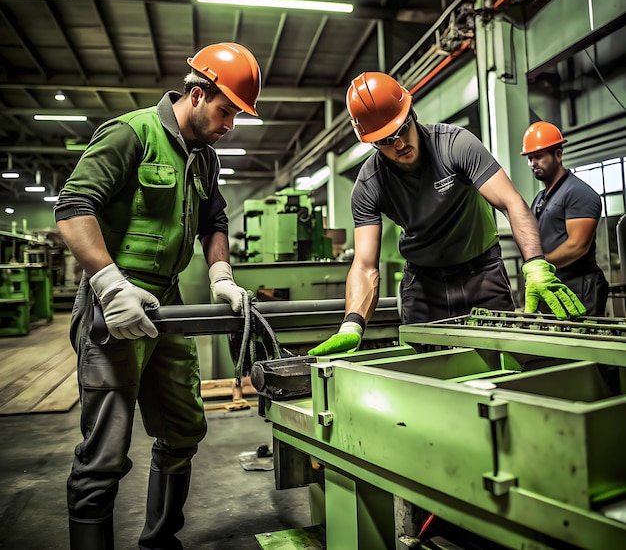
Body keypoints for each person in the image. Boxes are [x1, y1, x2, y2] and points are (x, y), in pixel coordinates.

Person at [54, 42, 261, 550]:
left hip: (166, 309)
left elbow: (214, 220)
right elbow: (74, 206)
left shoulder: (205, 158)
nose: (230, 124)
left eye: (237, 114)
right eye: (225, 109)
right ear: (196, 93)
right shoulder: (132, 134)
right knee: (104, 453)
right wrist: (108, 284)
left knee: (184, 429)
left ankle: (159, 541)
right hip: (114, 308)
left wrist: (220, 277)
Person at [308, 72, 585, 356]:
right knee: (425, 371)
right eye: (386, 140)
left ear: (411, 113)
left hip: (482, 274)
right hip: (424, 286)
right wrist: (352, 324)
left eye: (403, 129)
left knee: (506, 360)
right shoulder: (370, 183)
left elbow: (512, 203)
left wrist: (536, 264)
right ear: (371, 142)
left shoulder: (455, 145)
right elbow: (366, 265)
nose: (400, 144)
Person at [521, 121, 608, 315]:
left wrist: (540, 265)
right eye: (529, 158)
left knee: (582, 344)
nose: (532, 163)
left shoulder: (578, 193)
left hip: (579, 289)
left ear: (558, 155)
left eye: (538, 157)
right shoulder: (540, 198)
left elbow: (577, 246)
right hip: (554, 286)